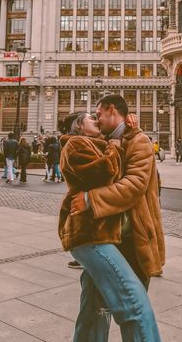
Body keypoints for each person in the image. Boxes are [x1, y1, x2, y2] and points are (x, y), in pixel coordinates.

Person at [69, 94, 164, 341]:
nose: (97, 120)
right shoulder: (106, 141)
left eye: (98, 113)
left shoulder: (138, 141)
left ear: (112, 110)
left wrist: (91, 199)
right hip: (104, 236)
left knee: (130, 306)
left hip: (132, 237)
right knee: (94, 309)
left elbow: (134, 185)